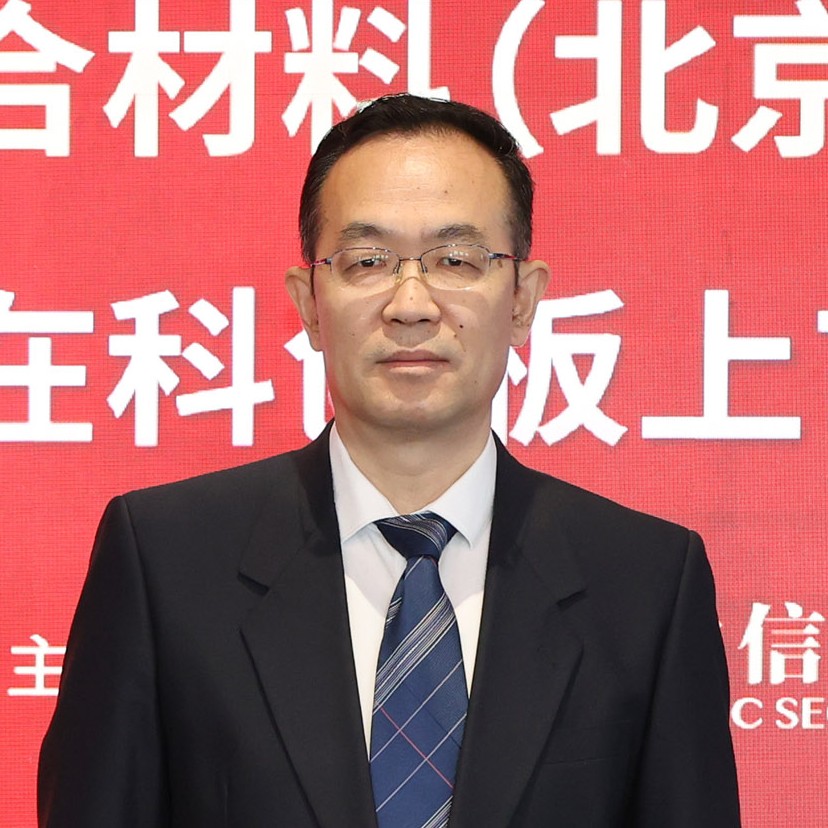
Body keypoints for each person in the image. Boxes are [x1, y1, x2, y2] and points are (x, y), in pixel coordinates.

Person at [38, 94, 740, 827]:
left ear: (523, 300)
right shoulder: (166, 562)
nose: (411, 304)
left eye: (456, 260)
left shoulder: (646, 584)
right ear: (309, 301)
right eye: (367, 261)